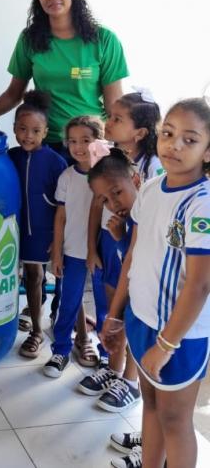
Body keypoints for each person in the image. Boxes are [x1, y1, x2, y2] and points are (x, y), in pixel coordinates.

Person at [101, 98, 210, 468]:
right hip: (140, 319)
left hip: (177, 336)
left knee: (176, 420)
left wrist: (166, 345)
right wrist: (116, 315)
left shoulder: (201, 205)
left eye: (190, 139)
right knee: (150, 406)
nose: (174, 145)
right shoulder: (150, 188)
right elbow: (134, 253)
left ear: (208, 151)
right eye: (168, 134)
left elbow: (199, 286)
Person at [0, 0, 128, 155]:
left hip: (92, 144)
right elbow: (13, 94)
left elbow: (114, 103)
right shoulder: (29, 39)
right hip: (46, 144)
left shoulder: (104, 40)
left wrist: (124, 146)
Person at [81, 92, 162, 412]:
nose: (108, 122)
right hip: (113, 241)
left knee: (132, 311)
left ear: (140, 132)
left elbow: (149, 219)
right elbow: (97, 202)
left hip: (136, 248)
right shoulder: (110, 157)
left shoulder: (153, 167)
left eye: (117, 119)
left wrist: (123, 232)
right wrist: (94, 245)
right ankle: (113, 369)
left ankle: (129, 380)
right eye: (109, 116)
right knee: (113, 303)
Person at [44, 116, 105, 377]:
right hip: (73, 251)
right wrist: (56, 251)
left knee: (105, 306)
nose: (79, 147)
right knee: (68, 302)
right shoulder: (67, 176)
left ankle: (107, 354)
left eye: (86, 140)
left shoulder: (109, 174)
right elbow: (61, 216)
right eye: (72, 141)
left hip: (105, 254)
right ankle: (60, 351)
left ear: (99, 141)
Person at [7, 90, 66, 358]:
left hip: (44, 233)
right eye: (22, 129)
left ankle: (38, 332)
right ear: (14, 129)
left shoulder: (56, 162)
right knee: (18, 275)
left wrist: (58, 238)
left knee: (39, 276)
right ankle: (13, 320)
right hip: (15, 232)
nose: (27, 135)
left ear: (45, 132)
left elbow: (64, 205)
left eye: (35, 130)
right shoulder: (11, 156)